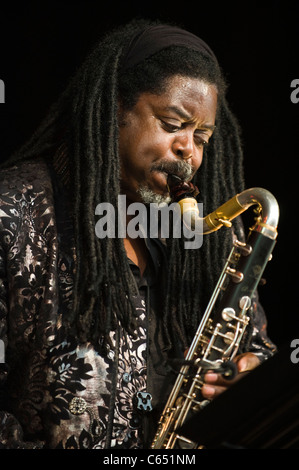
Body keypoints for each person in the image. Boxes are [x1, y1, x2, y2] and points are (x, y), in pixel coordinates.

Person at [0, 19, 276, 449]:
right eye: (172, 124)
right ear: (114, 109)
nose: (190, 149)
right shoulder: (14, 215)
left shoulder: (214, 232)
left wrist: (248, 375)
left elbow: (254, 345)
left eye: (201, 137)